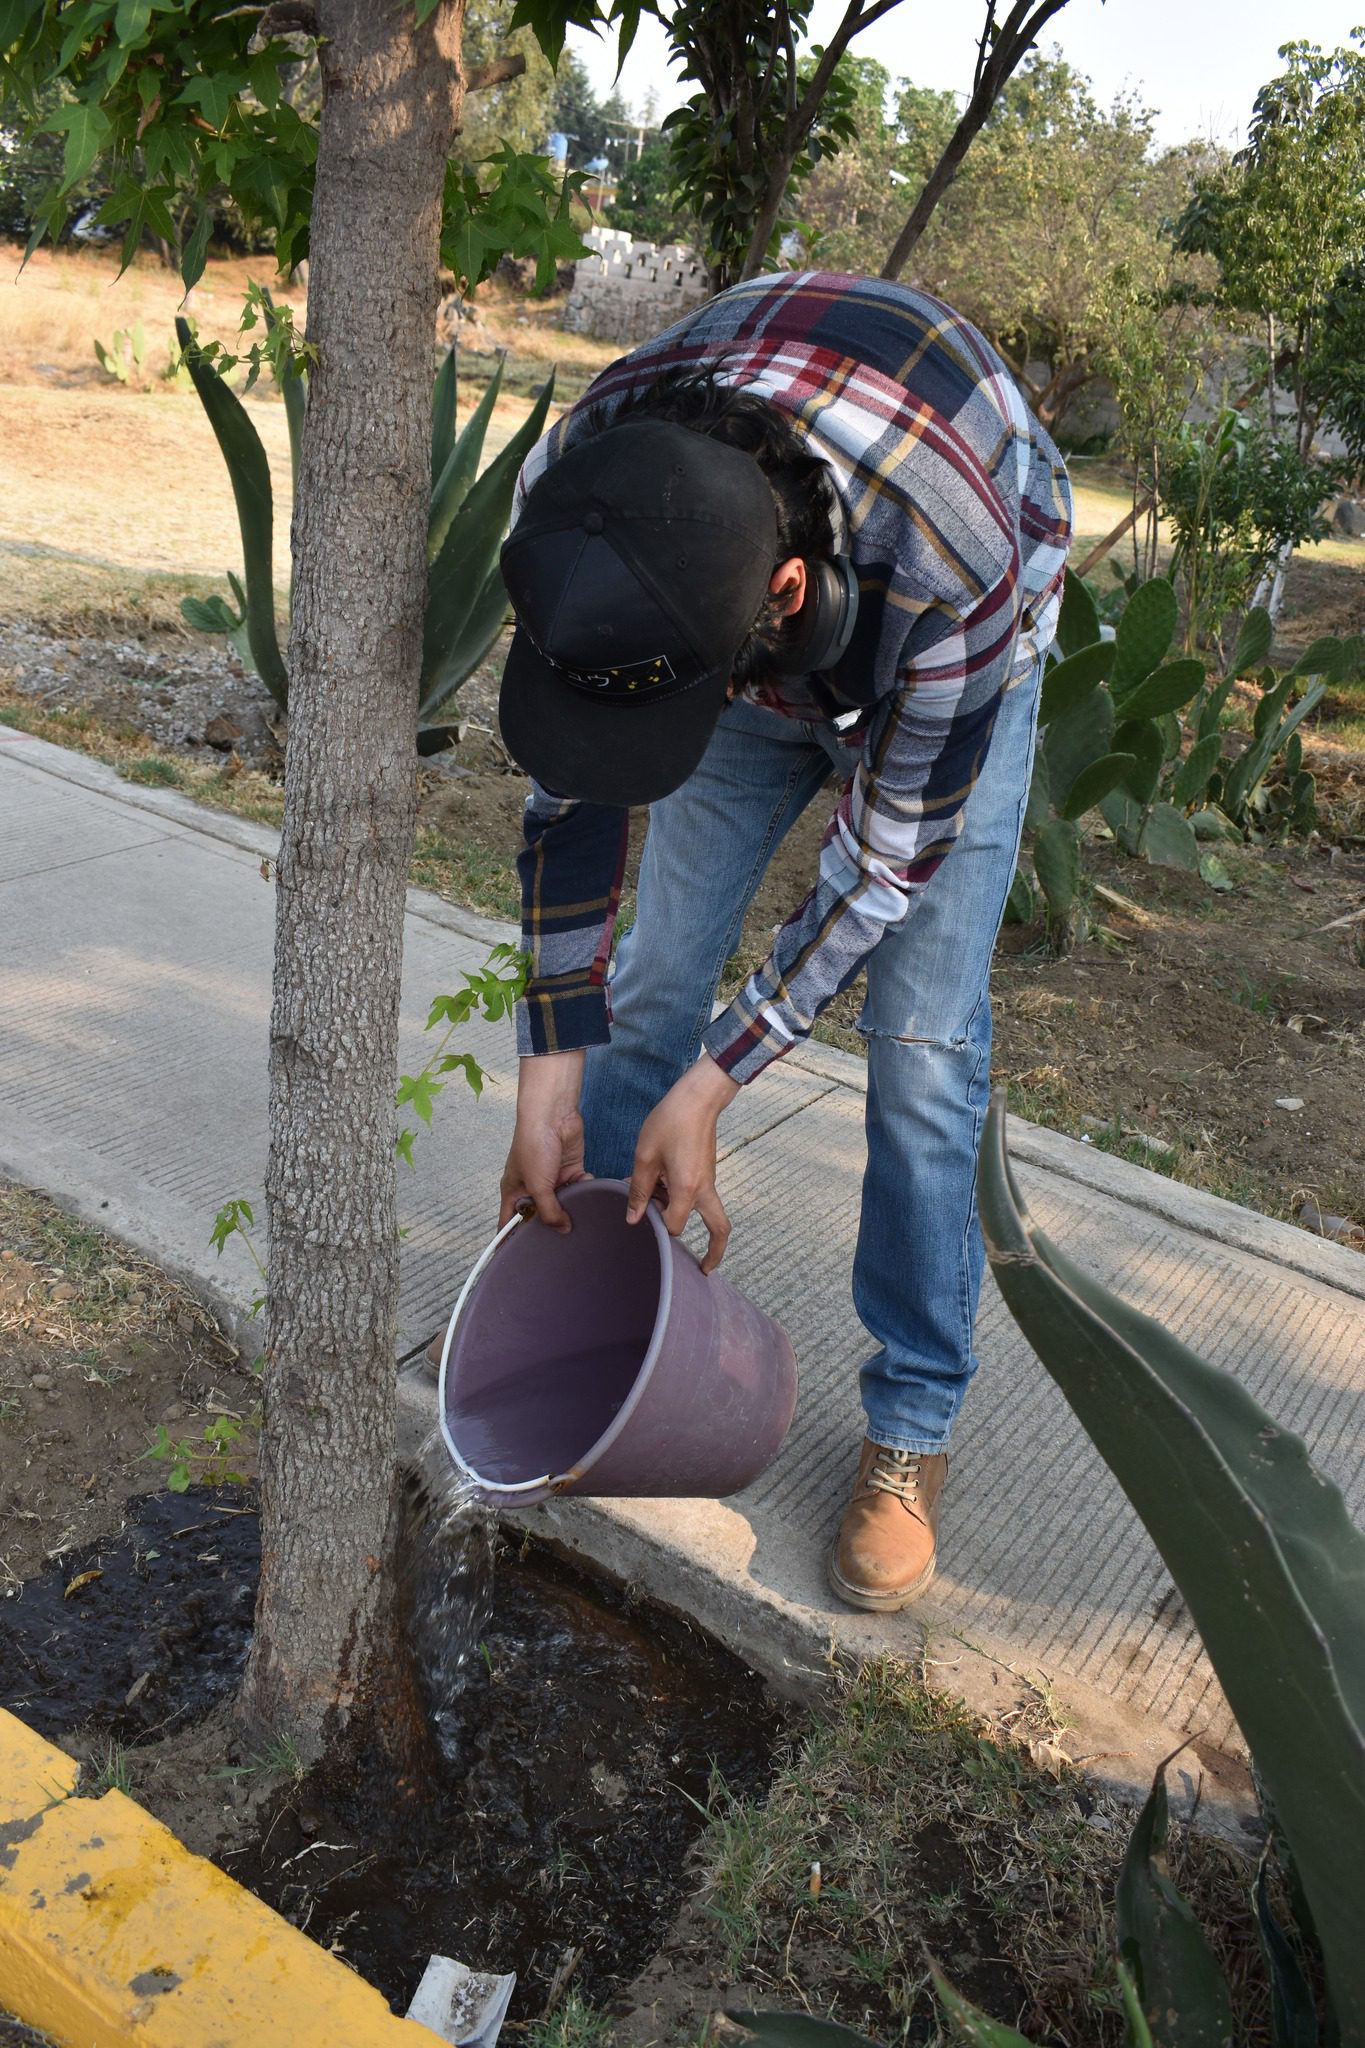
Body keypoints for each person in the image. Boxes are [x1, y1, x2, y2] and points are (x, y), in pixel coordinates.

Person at [493, 272, 1072, 1611]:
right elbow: (570, 793)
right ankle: (607, 1330)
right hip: (728, 616)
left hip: (948, 607)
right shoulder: (585, 509)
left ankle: (910, 1434)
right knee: (649, 978)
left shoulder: (947, 568)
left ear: (787, 595)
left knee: (921, 1047)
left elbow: (881, 873)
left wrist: (716, 1085)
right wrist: (547, 1075)